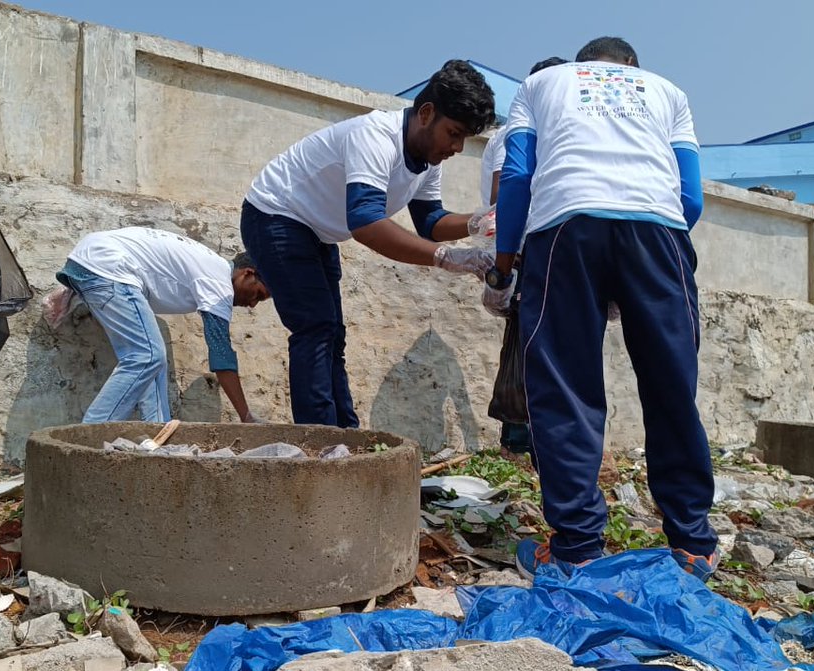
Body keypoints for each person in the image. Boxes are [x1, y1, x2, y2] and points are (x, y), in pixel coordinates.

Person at [487, 37, 718, 580]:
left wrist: (504, 265)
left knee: (567, 386)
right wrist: (638, 263)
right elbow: (691, 197)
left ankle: (577, 547)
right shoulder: (668, 92)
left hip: (565, 225)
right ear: (632, 69)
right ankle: (692, 544)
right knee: (671, 384)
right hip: (658, 230)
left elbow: (518, 176)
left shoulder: (541, 84)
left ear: (580, 64)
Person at [241, 59, 497, 427]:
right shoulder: (377, 135)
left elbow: (431, 222)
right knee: (314, 326)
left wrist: (476, 222)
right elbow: (364, 222)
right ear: (426, 113)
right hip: (274, 214)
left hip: (317, 230)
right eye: (454, 133)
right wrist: (449, 259)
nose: (456, 147)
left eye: (463, 139)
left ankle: (346, 434)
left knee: (333, 335)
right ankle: (321, 442)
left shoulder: (428, 160)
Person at [57, 228, 271, 425]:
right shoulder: (219, 284)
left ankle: (158, 433)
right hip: (108, 266)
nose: (252, 304)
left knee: (152, 360)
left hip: (95, 262)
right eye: (259, 295)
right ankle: (90, 435)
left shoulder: (209, 265)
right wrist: (246, 416)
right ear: (247, 273)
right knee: (148, 355)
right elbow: (221, 355)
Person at [482, 57, 567, 464]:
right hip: (527, 248)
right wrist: (506, 265)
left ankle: (536, 447)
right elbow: (506, 194)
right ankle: (523, 446)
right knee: (531, 348)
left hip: (537, 246)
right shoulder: (516, 132)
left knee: (540, 347)